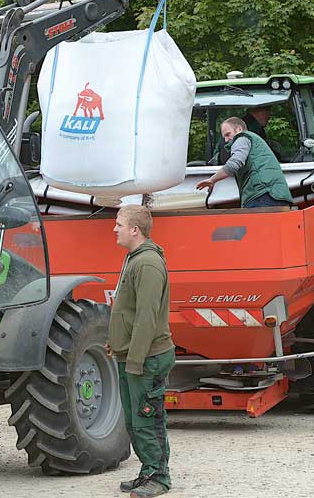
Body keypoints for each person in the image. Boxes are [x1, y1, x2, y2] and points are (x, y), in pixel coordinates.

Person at [107, 205, 175, 497]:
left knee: (148, 418)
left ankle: (160, 477)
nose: (114, 229)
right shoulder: (134, 259)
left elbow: (146, 317)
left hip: (147, 359)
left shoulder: (147, 264)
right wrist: (119, 343)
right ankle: (148, 470)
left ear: (135, 229)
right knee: (135, 421)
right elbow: (129, 311)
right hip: (133, 356)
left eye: (119, 224)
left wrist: (134, 360)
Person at [196, 117, 293, 208]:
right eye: (224, 137)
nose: (225, 140)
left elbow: (233, 164)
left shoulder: (242, 138)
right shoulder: (254, 141)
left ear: (239, 130)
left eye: (227, 134)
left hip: (263, 195)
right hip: (273, 195)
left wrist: (212, 180)